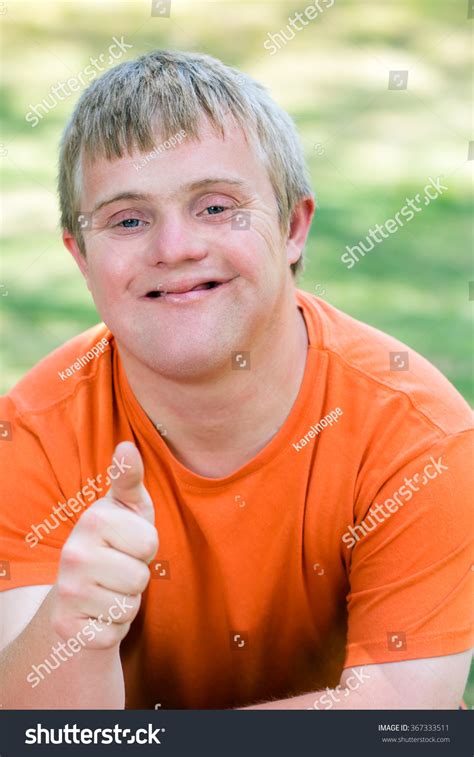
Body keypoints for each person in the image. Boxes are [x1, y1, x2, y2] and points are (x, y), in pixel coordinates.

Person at [0, 50, 472, 710]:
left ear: (293, 227)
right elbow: (32, 732)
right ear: (80, 257)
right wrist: (74, 627)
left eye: (216, 207)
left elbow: (399, 720)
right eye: (128, 219)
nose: (175, 247)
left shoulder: (417, 434)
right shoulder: (30, 434)